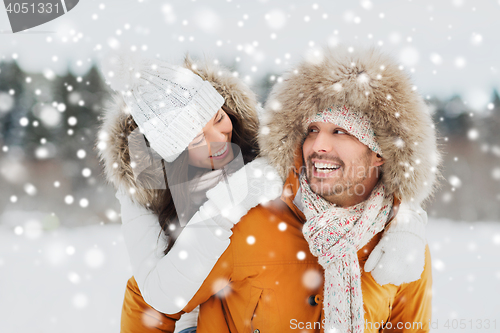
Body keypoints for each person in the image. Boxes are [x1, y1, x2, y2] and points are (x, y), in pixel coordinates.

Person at [103, 46, 439, 332]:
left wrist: (407, 218)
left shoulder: (401, 250)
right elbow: (151, 297)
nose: (318, 144)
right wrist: (225, 207)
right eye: (311, 129)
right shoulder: (245, 219)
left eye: (341, 132)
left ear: (381, 152)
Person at [98, 52, 283, 333]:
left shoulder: (263, 145)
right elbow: (160, 294)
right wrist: (226, 204)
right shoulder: (143, 191)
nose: (219, 139)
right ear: (174, 154)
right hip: (194, 320)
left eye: (219, 118)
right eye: (197, 139)